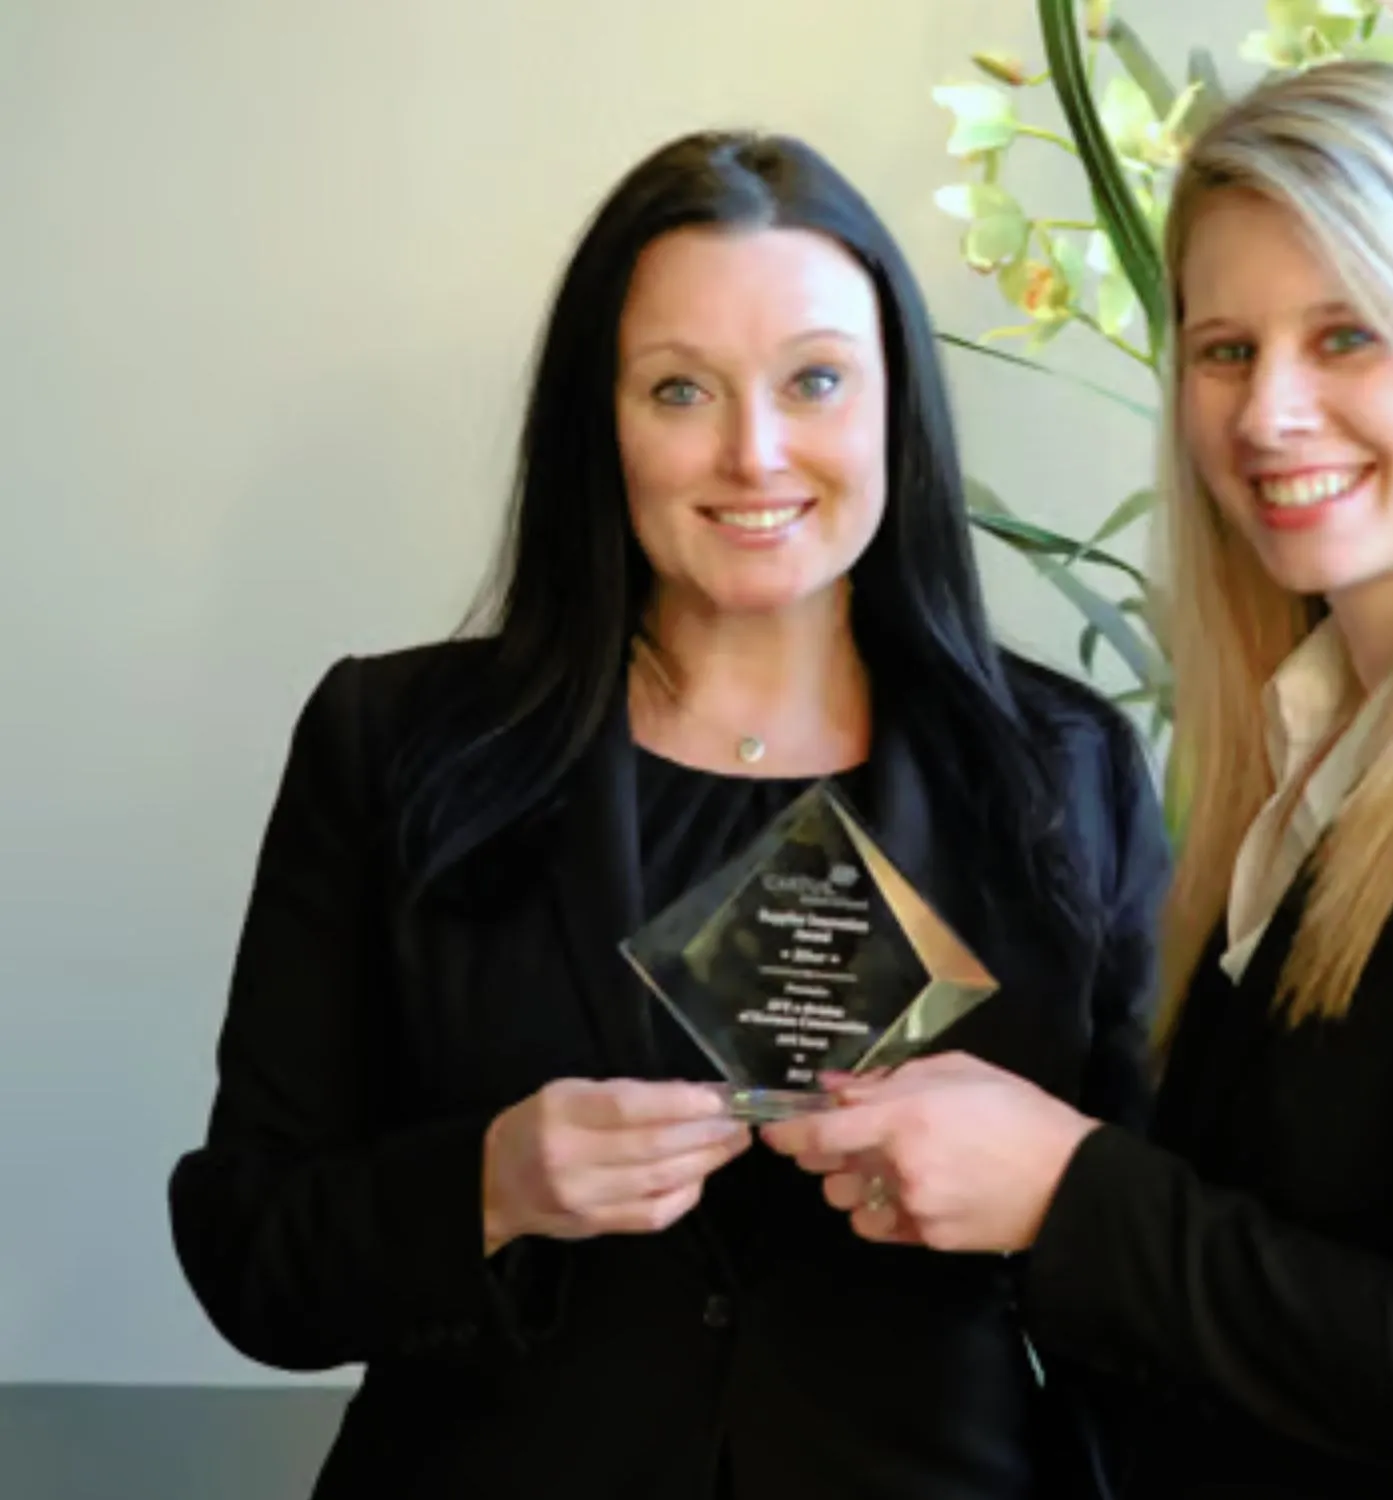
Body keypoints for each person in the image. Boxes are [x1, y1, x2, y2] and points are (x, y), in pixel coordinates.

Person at [766, 60, 1393, 1500]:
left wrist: (1067, 1188)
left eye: (1347, 337)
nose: (1269, 415)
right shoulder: (1314, 764)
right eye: (1225, 349)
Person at [168, 129, 1168, 1500]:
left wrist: (1047, 1195)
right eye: (680, 389)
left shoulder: (1066, 770)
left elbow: (1166, 1261)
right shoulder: (392, 746)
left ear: (896, 410)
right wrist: (490, 1183)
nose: (755, 453)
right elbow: (247, 1250)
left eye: (815, 380)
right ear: (602, 417)